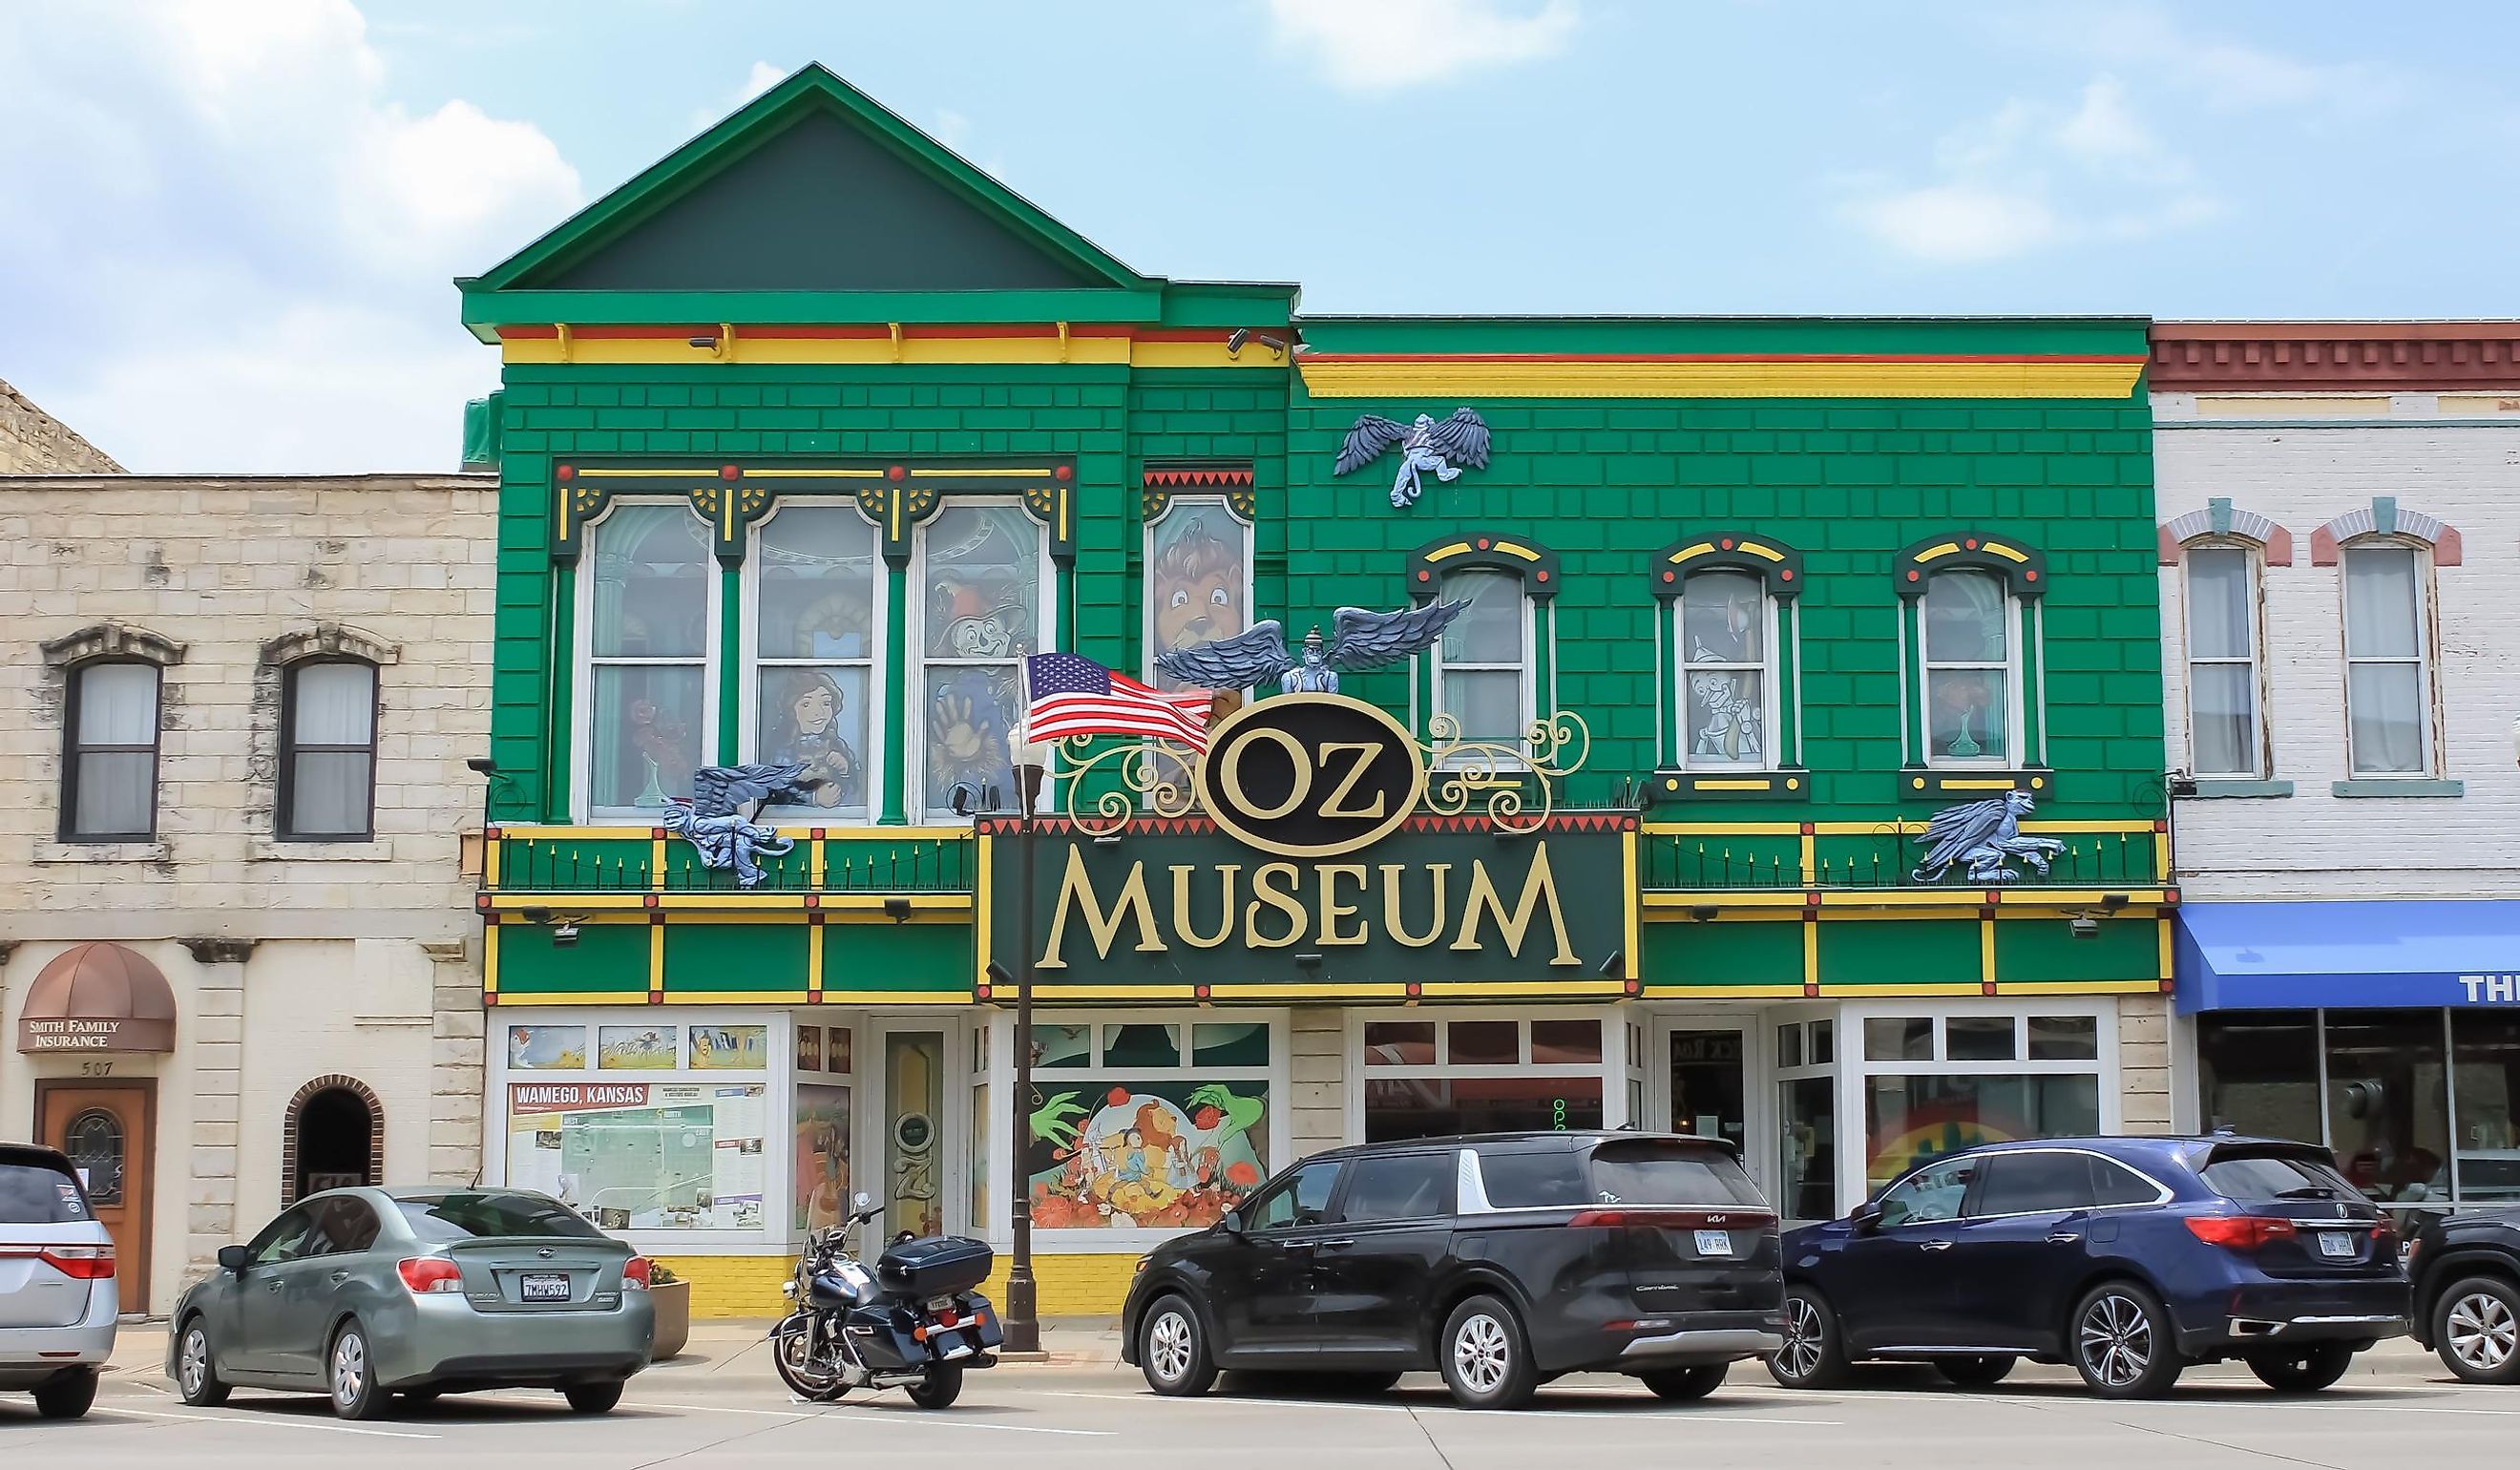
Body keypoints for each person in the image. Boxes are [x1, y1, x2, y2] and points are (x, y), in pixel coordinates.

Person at [768, 670, 862, 808]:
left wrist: (845, 770)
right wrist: (813, 798)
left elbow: (858, 789)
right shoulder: (784, 748)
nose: (818, 712)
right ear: (791, 709)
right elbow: (777, 790)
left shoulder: (836, 743)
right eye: (806, 704)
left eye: (825, 703)